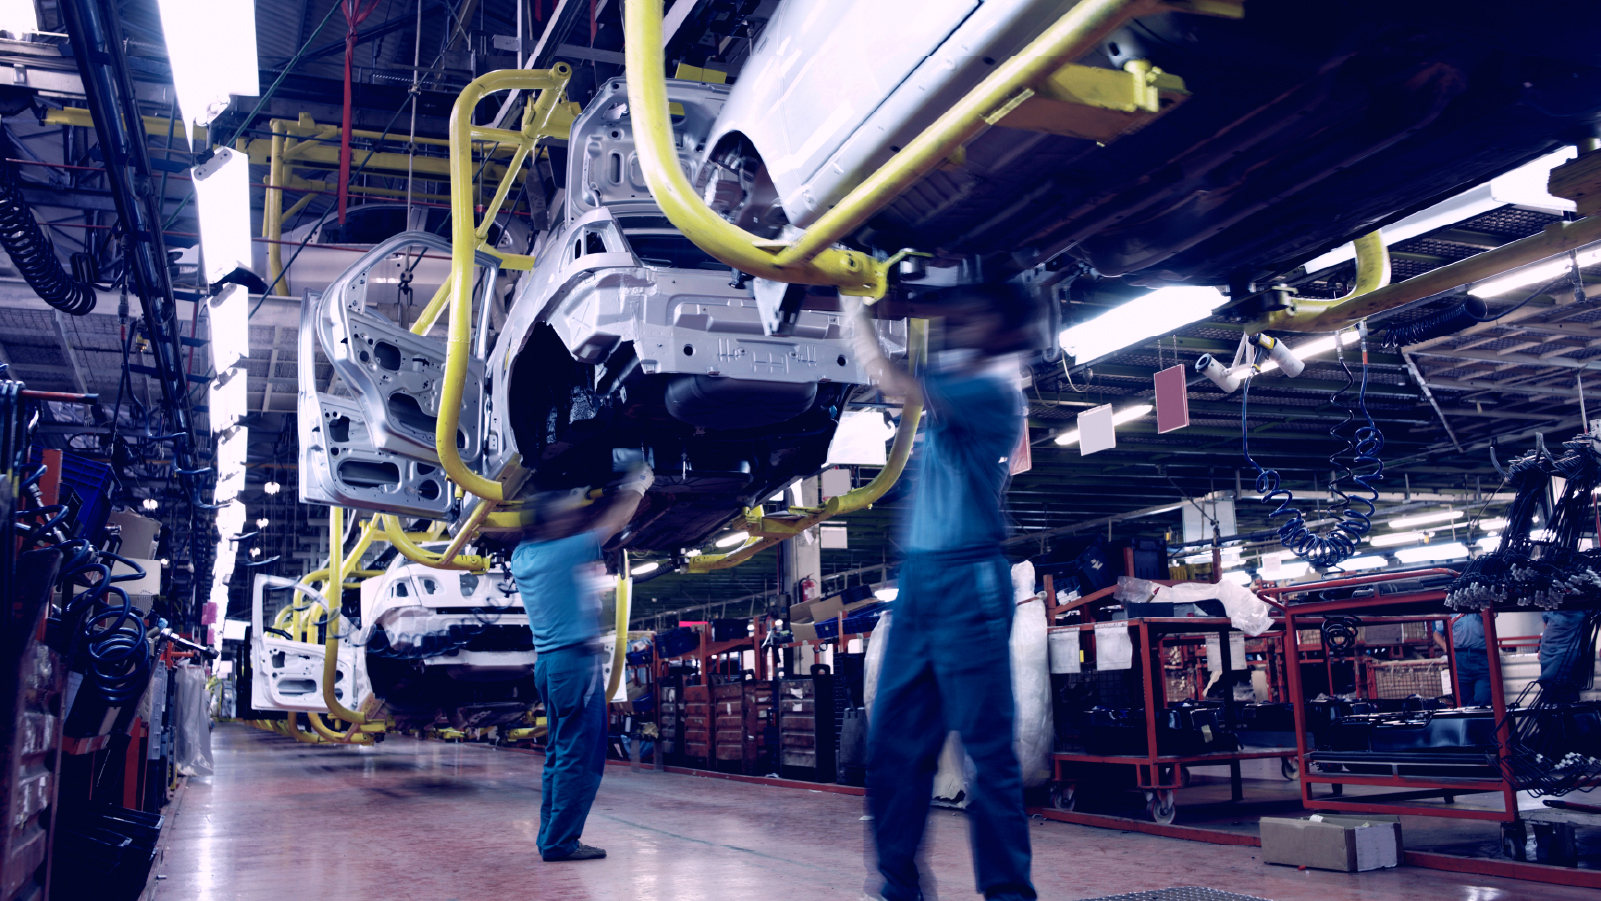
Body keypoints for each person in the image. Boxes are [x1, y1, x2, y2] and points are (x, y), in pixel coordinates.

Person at [845, 282, 1045, 901]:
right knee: (893, 750)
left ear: (1006, 333)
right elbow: (927, 343)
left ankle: (1009, 894)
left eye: (979, 316)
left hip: (969, 583)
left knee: (988, 755)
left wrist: (853, 307)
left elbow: (891, 378)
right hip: (919, 587)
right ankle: (898, 888)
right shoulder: (961, 372)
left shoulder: (993, 392)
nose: (964, 323)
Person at [509, 464, 652, 862]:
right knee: (580, 756)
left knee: (559, 753)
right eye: (561, 515)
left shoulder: (523, 557)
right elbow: (616, 519)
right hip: (574, 665)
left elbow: (550, 525)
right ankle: (560, 843)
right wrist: (637, 485)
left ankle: (550, 838)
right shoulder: (567, 550)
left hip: (550, 666)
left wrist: (564, 500)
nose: (570, 517)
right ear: (549, 524)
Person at [1434, 612, 1491, 706]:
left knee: (1483, 698)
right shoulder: (1454, 615)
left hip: (1482, 657)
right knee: (1463, 700)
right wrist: (1446, 648)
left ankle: (1479, 717)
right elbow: (1437, 634)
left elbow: (1491, 614)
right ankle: (1468, 718)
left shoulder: (1481, 611)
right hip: (1460, 659)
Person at [1538, 610, 1595, 703]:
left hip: (1568, 651)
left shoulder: (1581, 600)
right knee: (1552, 691)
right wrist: (1541, 647)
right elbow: (1546, 621)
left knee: (1558, 689)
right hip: (1548, 651)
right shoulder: (1550, 601)